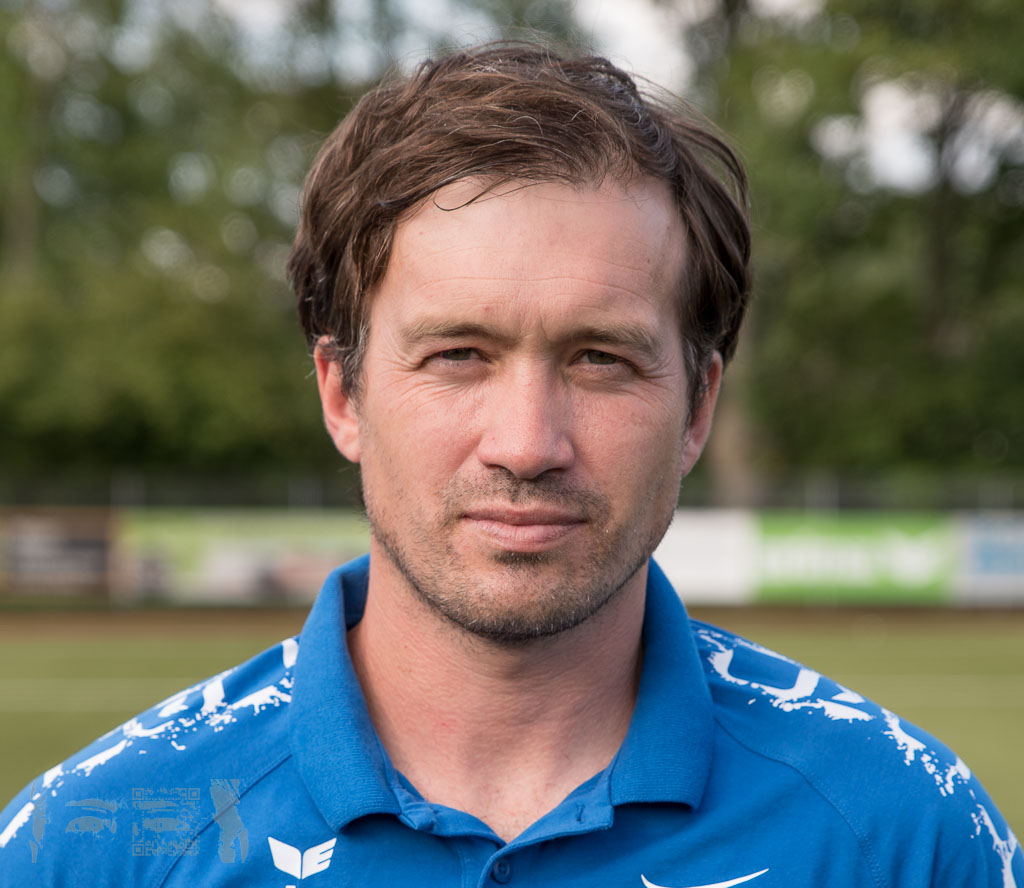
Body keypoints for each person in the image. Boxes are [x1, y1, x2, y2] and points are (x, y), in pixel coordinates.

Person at [1, 43, 1019, 887]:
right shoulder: (84, 847)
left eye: (601, 358)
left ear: (698, 406)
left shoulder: (907, 834)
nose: (528, 443)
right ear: (342, 393)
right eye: (458, 355)